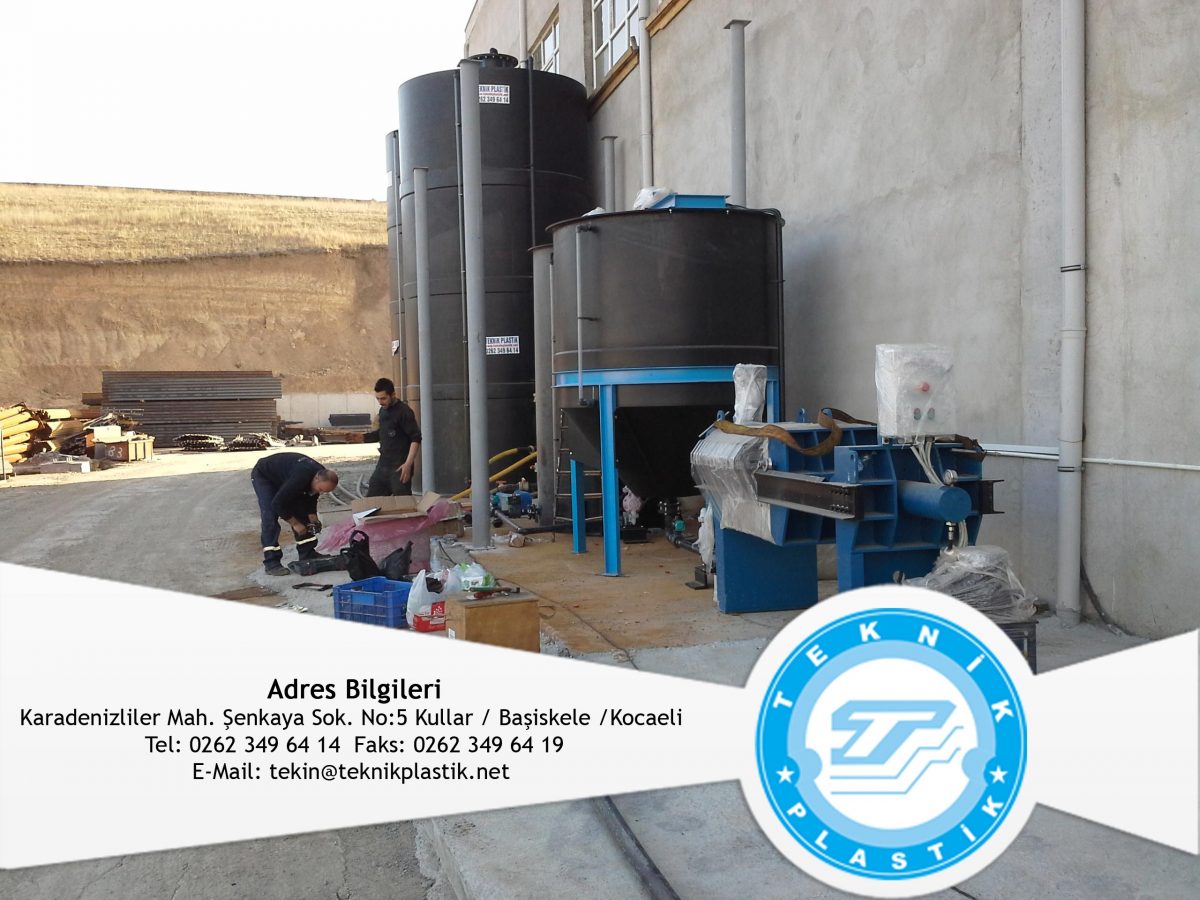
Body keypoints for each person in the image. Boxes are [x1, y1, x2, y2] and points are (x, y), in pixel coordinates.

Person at [250, 452, 339, 576]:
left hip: (287, 476)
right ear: (316, 478)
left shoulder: (320, 474)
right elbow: (278, 504)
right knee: (270, 515)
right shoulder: (301, 477)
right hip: (265, 476)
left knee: (302, 510)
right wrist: (295, 523)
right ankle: (271, 562)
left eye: (325, 491)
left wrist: (312, 516)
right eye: (321, 490)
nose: (322, 493)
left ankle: (307, 553)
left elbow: (311, 496)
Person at [362, 377, 422, 497]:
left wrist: (408, 464)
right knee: (371, 501)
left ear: (393, 395)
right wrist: (360, 438)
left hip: (400, 466)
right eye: (378, 398)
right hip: (383, 464)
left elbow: (415, 438)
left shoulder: (404, 411)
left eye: (383, 398)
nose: (380, 402)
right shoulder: (382, 411)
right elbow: (381, 434)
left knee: (402, 502)